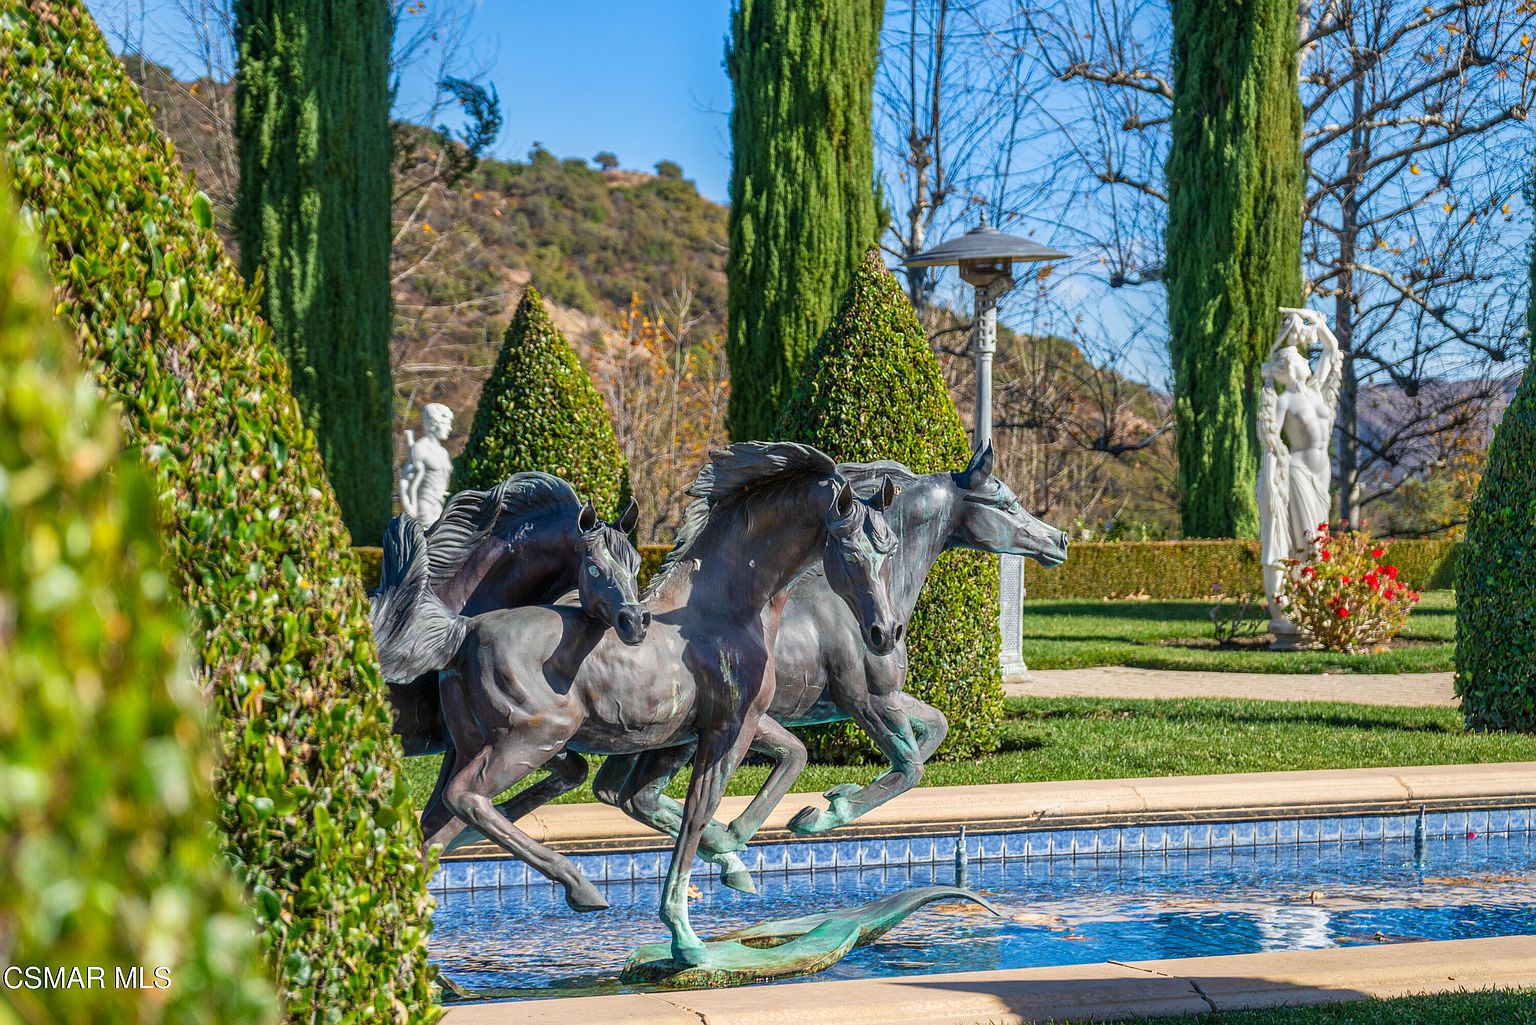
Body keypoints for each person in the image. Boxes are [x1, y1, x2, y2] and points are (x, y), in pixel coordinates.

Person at [1258, 308, 1342, 639]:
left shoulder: (1316, 390)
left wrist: (1316, 322)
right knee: (1306, 545)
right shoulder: (1284, 402)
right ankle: (1299, 611)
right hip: (1299, 474)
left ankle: (1314, 607)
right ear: (1290, 367)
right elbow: (1270, 438)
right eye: (1300, 357)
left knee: (1317, 541)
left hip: (1322, 475)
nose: (1308, 359)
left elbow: (1333, 351)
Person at [399, 402, 454, 525]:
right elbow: (405, 481)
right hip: (424, 506)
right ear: (434, 424)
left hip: (442, 505)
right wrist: (409, 507)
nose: (449, 428)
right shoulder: (420, 448)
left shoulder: (443, 452)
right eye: (446, 424)